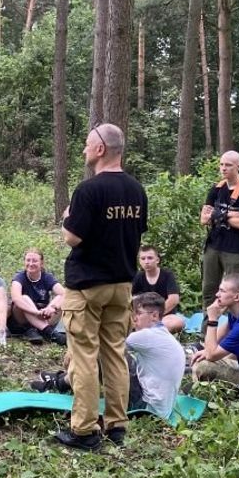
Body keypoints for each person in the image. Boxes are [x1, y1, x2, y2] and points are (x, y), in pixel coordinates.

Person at [57, 123, 148, 450]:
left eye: (86, 145)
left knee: (83, 356)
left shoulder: (88, 190)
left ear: (99, 150)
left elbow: (73, 237)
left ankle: (83, 430)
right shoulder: (137, 190)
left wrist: (68, 217)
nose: (83, 150)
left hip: (87, 287)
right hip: (122, 284)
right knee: (115, 355)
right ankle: (117, 425)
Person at [32, 292, 184, 425]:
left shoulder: (147, 335)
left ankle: (59, 383)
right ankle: (62, 381)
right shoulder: (163, 335)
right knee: (111, 354)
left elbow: (104, 344)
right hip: (160, 406)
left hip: (146, 406)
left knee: (102, 353)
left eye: (138, 313)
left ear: (155, 316)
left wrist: (72, 351)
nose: (134, 319)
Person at [200, 150, 239, 334]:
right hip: (214, 245)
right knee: (209, 290)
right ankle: (206, 333)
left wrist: (221, 215)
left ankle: (238, 332)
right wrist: (229, 214)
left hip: (235, 249)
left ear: (238, 166)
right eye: (222, 164)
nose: (223, 168)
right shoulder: (216, 189)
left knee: (236, 294)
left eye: (228, 165)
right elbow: (204, 218)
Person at [8, 248, 66, 344]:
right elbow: (16, 298)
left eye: (34, 261)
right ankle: (49, 332)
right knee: (24, 298)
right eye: (28, 260)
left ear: (41, 263)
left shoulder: (47, 277)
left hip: (43, 316)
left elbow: (64, 293)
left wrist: (52, 308)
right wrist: (36, 312)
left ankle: (41, 329)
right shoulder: (19, 277)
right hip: (23, 320)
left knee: (62, 296)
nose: (31, 264)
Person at [131, 245, 185, 334]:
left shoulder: (167, 275)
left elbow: (174, 299)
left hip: (164, 316)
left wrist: (156, 315)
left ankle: (147, 332)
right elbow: (130, 298)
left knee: (177, 323)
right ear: (139, 261)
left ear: (157, 260)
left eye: (150, 258)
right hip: (143, 317)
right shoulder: (138, 277)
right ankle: (150, 331)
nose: (146, 262)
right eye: (143, 259)